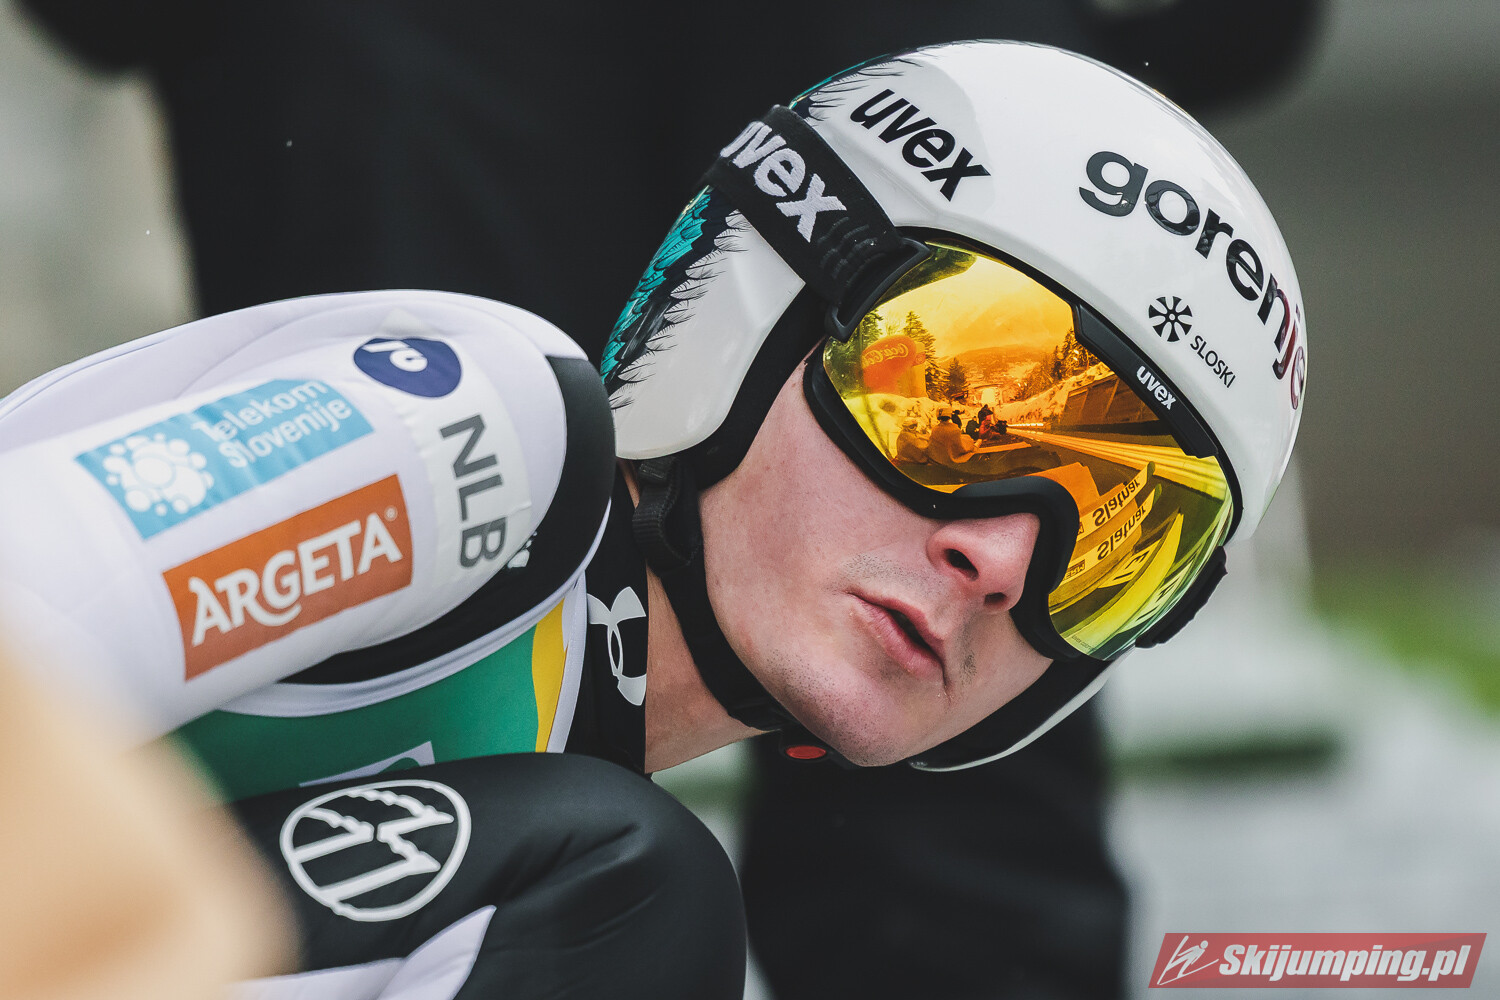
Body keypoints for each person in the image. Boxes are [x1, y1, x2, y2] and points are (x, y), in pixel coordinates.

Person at [0, 41, 1307, 997]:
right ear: (774, 293)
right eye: (952, 408)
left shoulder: (569, 740)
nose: (1005, 556)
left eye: (1126, 536)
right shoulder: (477, 432)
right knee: (634, 892)